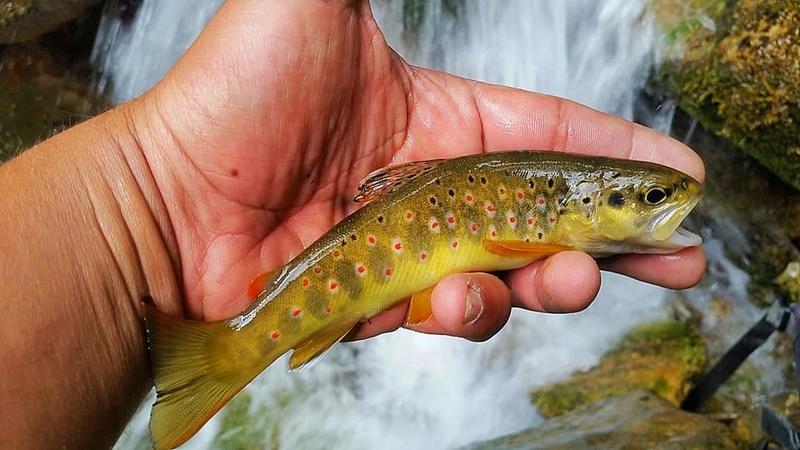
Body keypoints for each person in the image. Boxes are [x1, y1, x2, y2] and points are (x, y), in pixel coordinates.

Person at [0, 0, 706, 448]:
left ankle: (217, 352)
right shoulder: (547, 222)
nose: (661, 205)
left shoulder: (552, 220)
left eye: (648, 199)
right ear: (584, 205)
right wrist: (158, 193)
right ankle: (220, 353)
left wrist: (151, 201)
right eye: (646, 198)